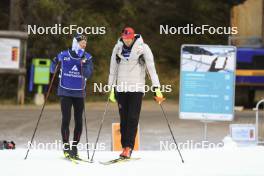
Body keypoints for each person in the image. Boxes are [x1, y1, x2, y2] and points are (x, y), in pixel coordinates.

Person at [108, 27, 164, 158]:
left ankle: (129, 147)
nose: (126, 41)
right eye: (124, 39)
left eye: (129, 39)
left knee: (132, 118)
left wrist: (157, 88)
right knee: (124, 120)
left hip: (136, 89)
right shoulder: (117, 49)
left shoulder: (143, 48)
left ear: (133, 37)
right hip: (121, 89)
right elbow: (112, 69)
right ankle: (124, 147)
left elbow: (151, 69)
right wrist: (111, 88)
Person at [50, 34, 93, 159]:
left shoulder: (87, 57)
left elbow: (88, 74)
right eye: (81, 42)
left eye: (85, 42)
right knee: (66, 119)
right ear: (75, 42)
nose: (84, 44)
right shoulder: (64, 54)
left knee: (78, 120)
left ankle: (74, 147)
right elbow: (52, 70)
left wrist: (84, 64)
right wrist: (54, 62)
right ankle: (66, 147)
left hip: (79, 92)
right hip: (65, 91)